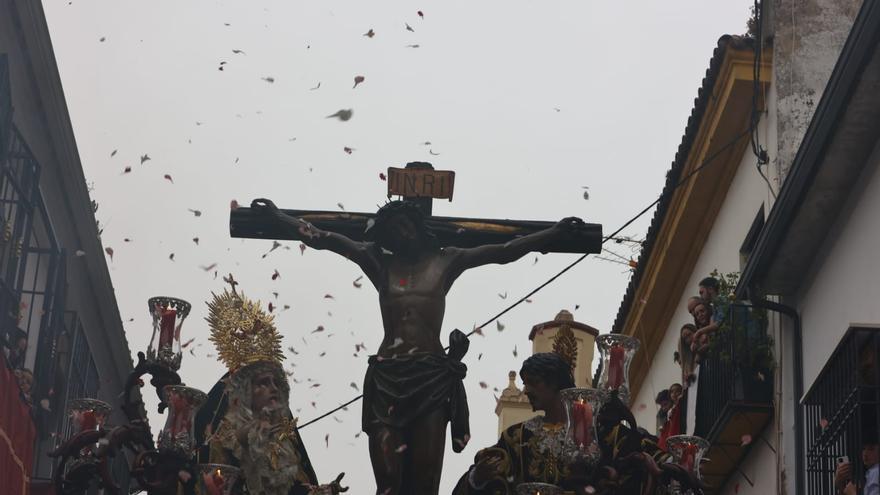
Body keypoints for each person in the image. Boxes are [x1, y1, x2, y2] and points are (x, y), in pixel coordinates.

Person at [252, 197, 588, 495]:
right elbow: (326, 239)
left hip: (430, 378)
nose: (402, 234)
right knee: (388, 482)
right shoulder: (379, 263)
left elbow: (503, 252)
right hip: (387, 378)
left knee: (425, 480)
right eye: (393, 230)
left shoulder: (445, 261)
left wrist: (551, 235)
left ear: (416, 225)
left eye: (405, 225)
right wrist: (280, 218)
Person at [196, 287, 346, 495]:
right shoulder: (225, 436)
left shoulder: (282, 439)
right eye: (264, 383)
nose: (274, 389)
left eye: (276, 382)